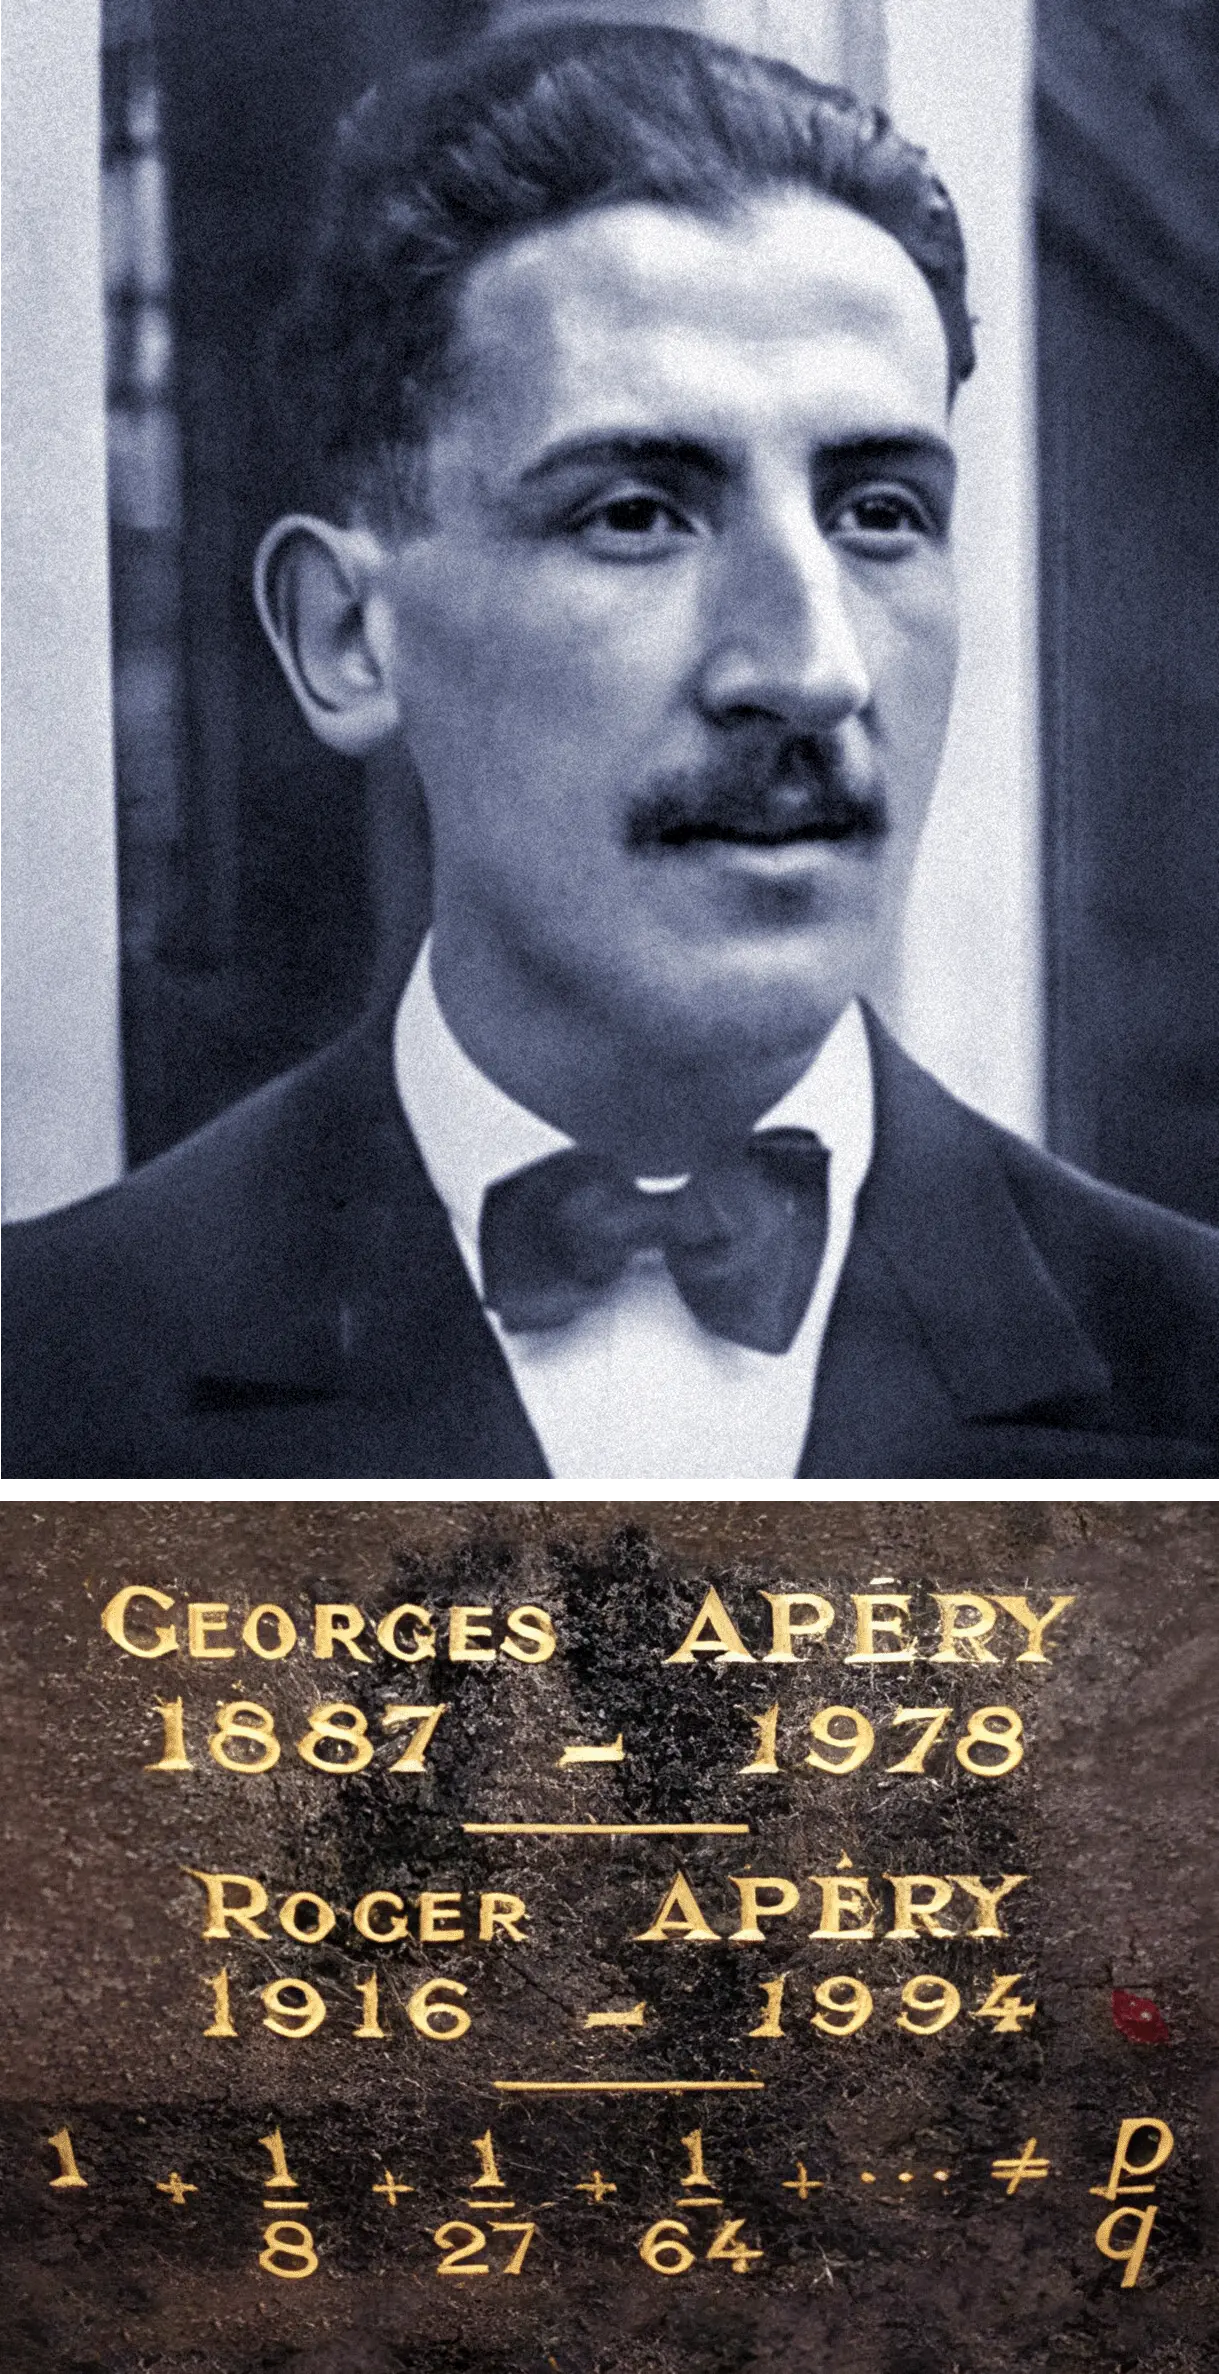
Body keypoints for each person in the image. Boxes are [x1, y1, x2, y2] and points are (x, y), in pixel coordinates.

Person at [2, 18, 1219, 1480]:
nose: (810, 668)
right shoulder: (53, 1378)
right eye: (633, 512)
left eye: (878, 512)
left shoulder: (1182, 1375)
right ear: (347, 637)